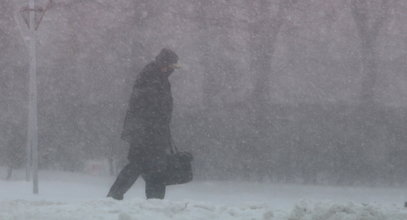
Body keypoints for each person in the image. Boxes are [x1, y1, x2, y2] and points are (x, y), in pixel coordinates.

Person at [107, 48, 180, 200]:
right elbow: (147, 106)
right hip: (146, 133)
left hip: (151, 132)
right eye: (171, 66)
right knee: (141, 166)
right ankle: (117, 197)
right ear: (164, 63)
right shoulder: (151, 76)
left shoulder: (158, 77)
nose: (172, 70)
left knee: (151, 168)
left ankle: (153, 201)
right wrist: (154, 128)